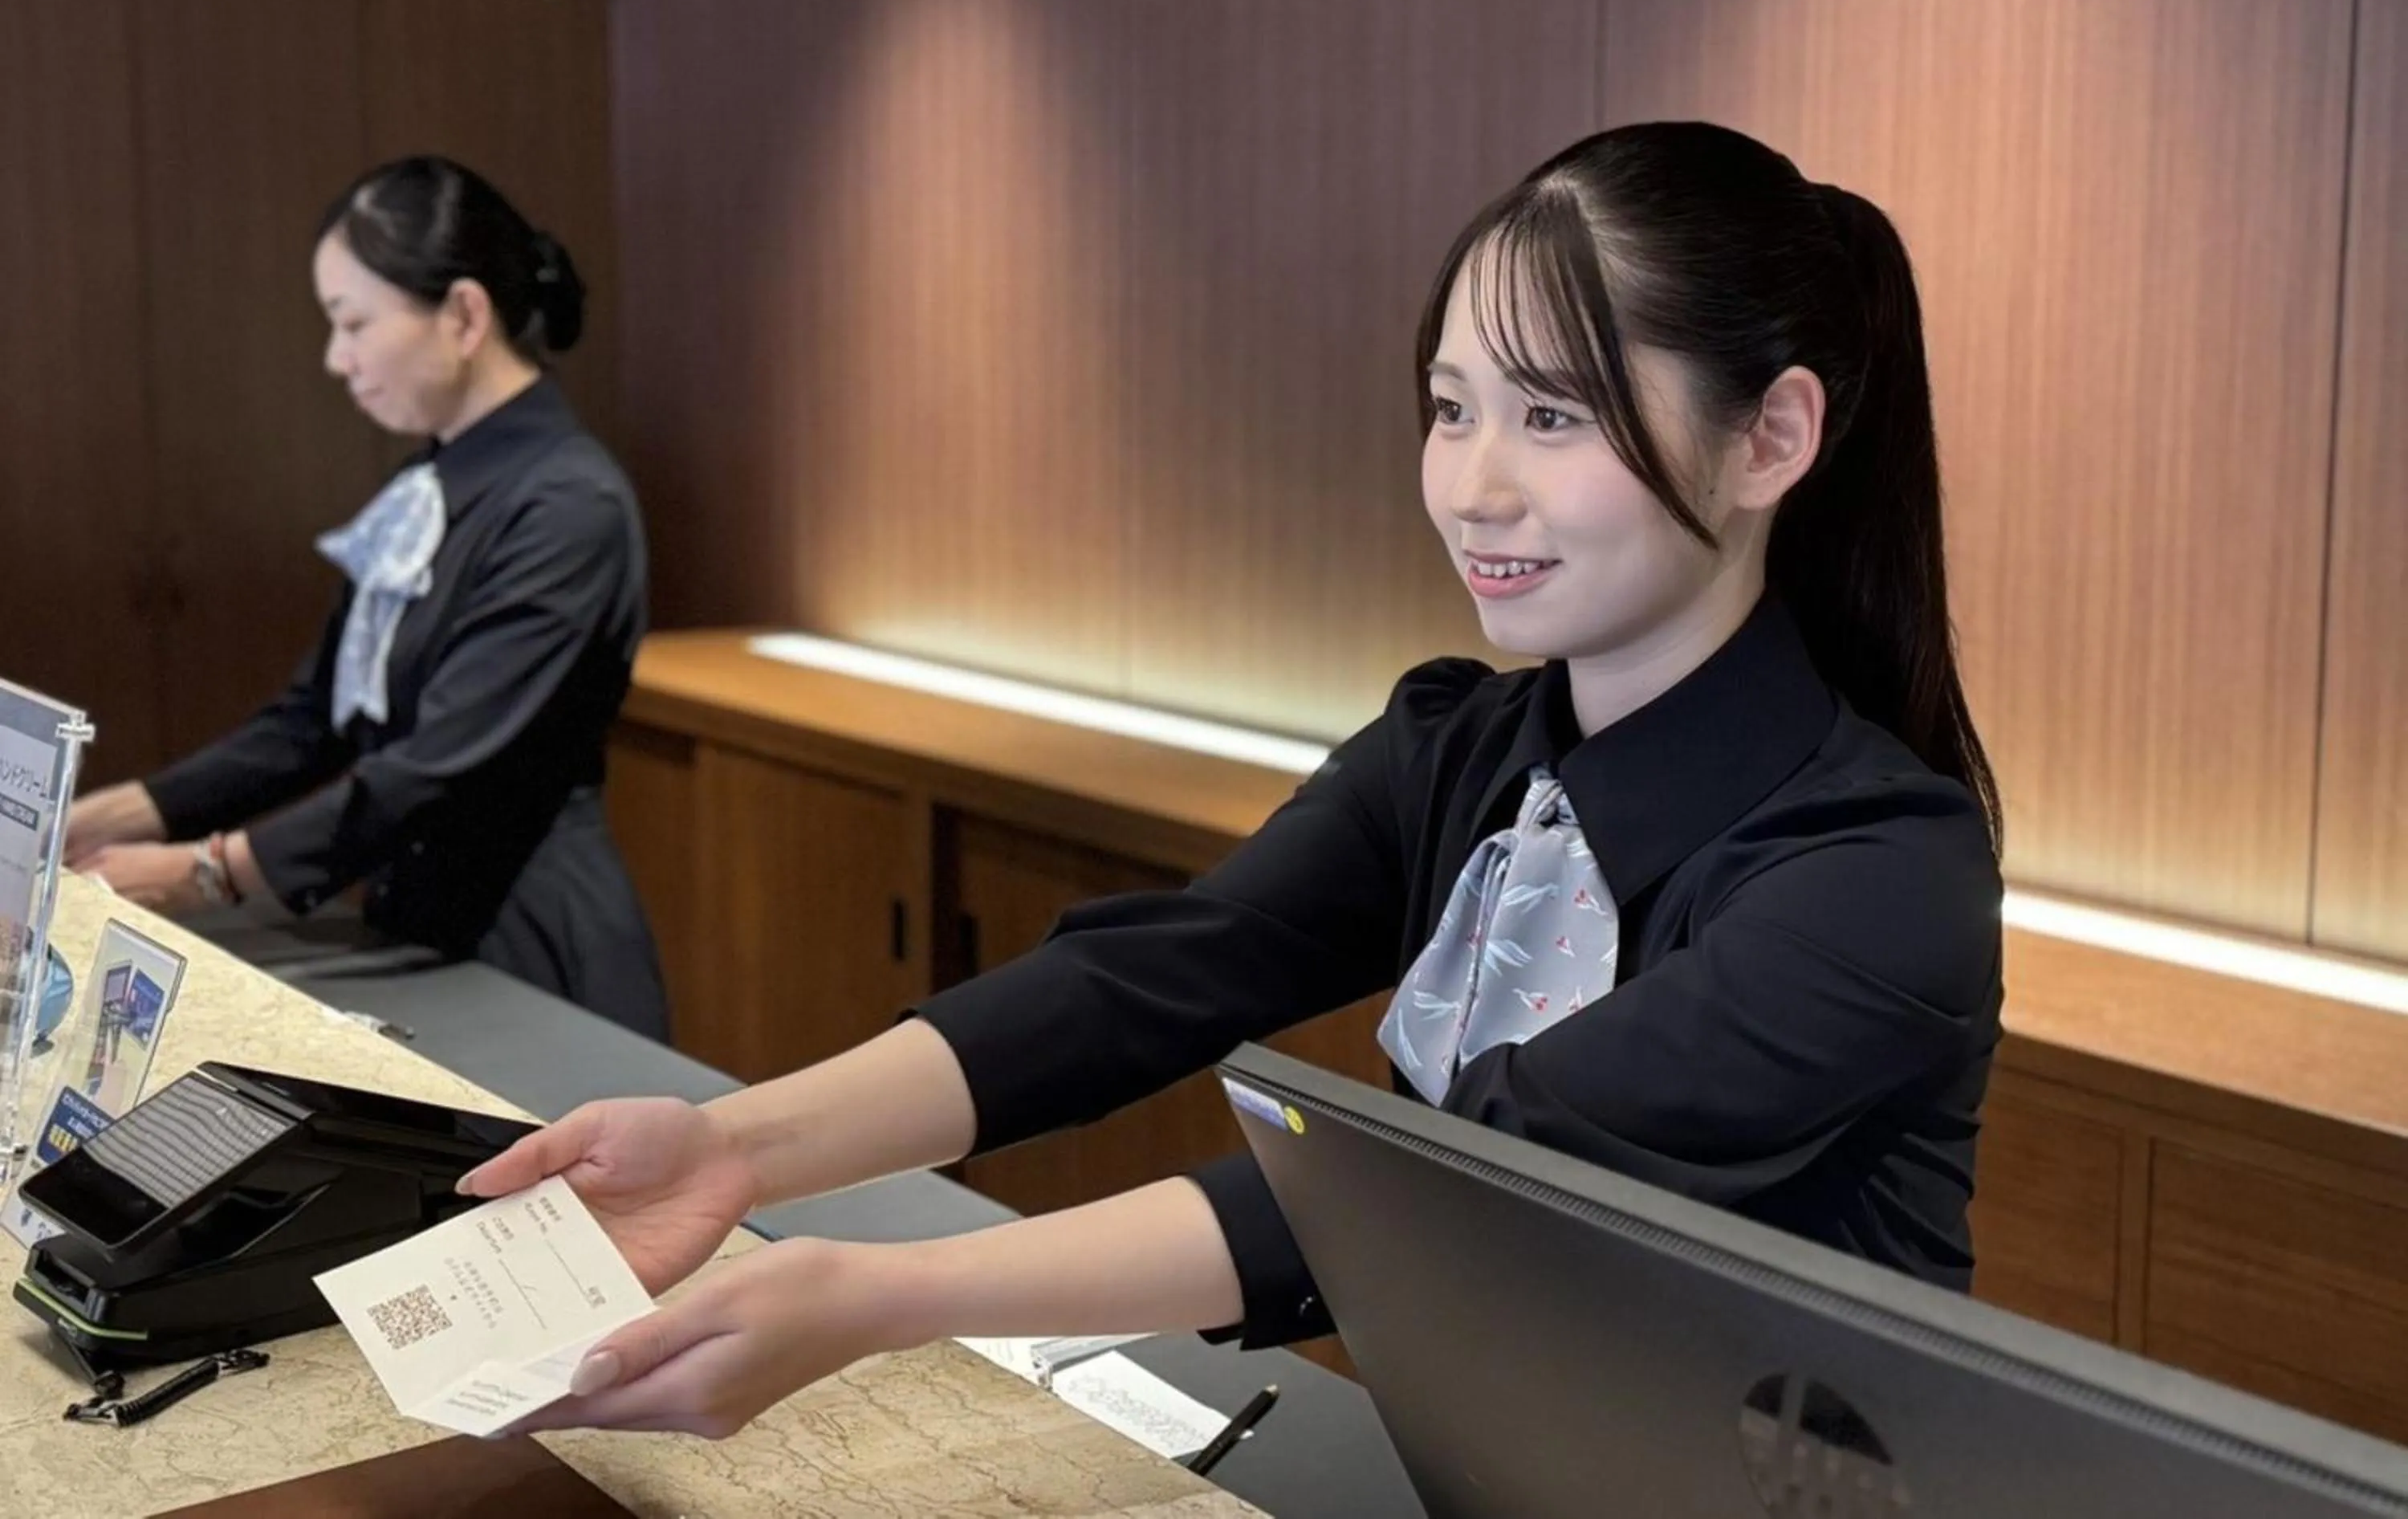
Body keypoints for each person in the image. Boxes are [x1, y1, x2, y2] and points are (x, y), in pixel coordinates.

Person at [462, 122, 2004, 1437]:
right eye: (1453, 406)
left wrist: (885, 1293)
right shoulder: (1456, 745)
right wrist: (736, 1145)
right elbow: (1160, 977)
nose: (1475, 484)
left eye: (1556, 414)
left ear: (1771, 439)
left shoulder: (1878, 870)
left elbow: (1450, 1188)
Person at [65, 157, 669, 1040]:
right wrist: (105, 815)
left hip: (529, 940)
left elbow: (443, 766)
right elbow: (315, 719)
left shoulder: (569, 505)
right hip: (416, 920)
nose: (335, 358)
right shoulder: (432, 479)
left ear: (464, 315)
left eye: (353, 322)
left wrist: (205, 871)